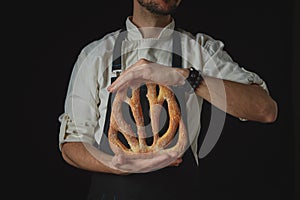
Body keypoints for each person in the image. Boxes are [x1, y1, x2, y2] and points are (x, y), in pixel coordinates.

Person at [58, 0, 278, 199]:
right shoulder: (96, 55)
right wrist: (119, 165)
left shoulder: (199, 51)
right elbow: (71, 145)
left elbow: (264, 109)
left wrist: (185, 77)